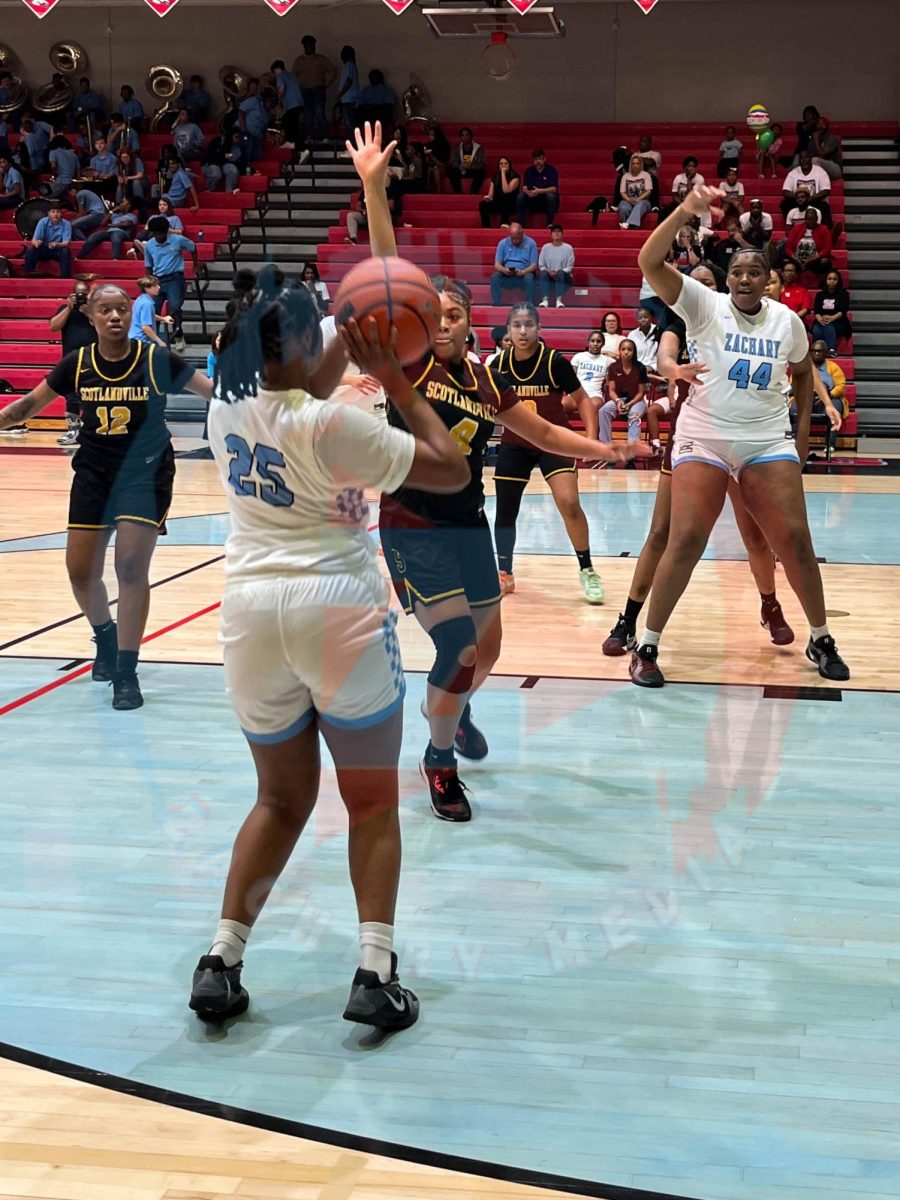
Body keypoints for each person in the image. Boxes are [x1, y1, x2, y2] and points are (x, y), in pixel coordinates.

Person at [346, 124, 643, 823]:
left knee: (490, 646)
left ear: (468, 323)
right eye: (434, 314)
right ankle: (439, 760)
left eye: (454, 316)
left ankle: (454, 711)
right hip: (411, 526)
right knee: (458, 645)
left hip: (467, 525)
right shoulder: (408, 364)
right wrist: (372, 186)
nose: (442, 324)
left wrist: (605, 451)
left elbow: (538, 431)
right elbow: (387, 265)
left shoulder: (481, 379)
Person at [627, 181, 849, 687]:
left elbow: (800, 374)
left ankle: (820, 636)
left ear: (769, 280)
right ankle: (648, 645)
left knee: (793, 539)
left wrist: (801, 438)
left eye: (754, 272)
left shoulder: (788, 323)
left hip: (765, 438)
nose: (744, 279)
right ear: (728, 280)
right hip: (704, 435)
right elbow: (648, 261)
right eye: (737, 272)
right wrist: (685, 209)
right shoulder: (704, 305)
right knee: (686, 538)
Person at [0, 283, 213, 709]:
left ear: (131, 313)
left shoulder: (155, 359)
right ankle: (106, 637)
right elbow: (26, 407)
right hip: (94, 475)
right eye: (105, 310)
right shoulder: (76, 364)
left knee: (130, 567)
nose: (114, 317)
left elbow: (215, 394)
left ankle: (126, 673)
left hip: (145, 474)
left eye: (121, 309)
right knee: (80, 571)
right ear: (92, 317)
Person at [603, 264, 796, 657]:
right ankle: (627, 619)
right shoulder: (681, 318)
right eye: (695, 281)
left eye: (708, 281)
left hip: (744, 438)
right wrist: (675, 370)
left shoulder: (735, 319)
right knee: (662, 533)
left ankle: (770, 604)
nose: (700, 287)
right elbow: (666, 358)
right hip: (695, 437)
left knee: (755, 536)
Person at [492, 301, 611, 602]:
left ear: (539, 328)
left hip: (554, 442)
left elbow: (584, 401)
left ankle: (587, 569)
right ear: (508, 330)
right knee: (506, 510)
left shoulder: (554, 362)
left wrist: (592, 440)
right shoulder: (498, 366)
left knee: (569, 502)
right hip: (515, 444)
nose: (522, 331)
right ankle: (504, 573)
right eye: (516, 325)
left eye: (528, 324)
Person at [49, 280, 97, 447]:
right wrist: (69, 308)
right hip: (71, 359)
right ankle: (73, 430)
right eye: (78, 294)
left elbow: (105, 329)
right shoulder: (64, 309)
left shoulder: (96, 310)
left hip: (94, 360)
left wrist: (88, 312)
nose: (81, 297)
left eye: (84, 294)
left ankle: (93, 430)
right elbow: (53, 327)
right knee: (71, 397)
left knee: (94, 395)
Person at [140, 215, 197, 353]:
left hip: (175, 278)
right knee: (155, 310)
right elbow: (149, 265)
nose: (159, 236)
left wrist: (196, 266)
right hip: (157, 279)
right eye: (156, 234)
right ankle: (156, 341)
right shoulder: (150, 245)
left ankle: (178, 334)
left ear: (166, 231)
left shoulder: (177, 240)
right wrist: (148, 283)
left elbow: (193, 247)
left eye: (161, 233)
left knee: (175, 306)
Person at [598, 338, 648, 444]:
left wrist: (629, 404)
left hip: (636, 400)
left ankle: (631, 450)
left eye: (629, 349)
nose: (626, 352)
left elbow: (641, 392)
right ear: (619, 351)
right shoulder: (613, 367)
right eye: (623, 349)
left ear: (633, 352)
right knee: (604, 411)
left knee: (634, 415)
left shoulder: (640, 367)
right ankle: (605, 447)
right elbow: (611, 390)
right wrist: (617, 401)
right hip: (619, 400)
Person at [293, 35, 337, 140]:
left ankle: (325, 136)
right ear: (304, 47)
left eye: (312, 45)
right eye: (308, 45)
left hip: (318, 89)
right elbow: (294, 75)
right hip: (305, 91)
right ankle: (310, 136)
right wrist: (299, 87)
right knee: (308, 115)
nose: (311, 47)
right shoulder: (299, 61)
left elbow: (333, 70)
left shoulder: (321, 59)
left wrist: (327, 84)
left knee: (320, 113)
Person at [490, 221, 538, 305]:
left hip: (523, 274)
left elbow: (534, 265)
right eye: (513, 238)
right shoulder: (503, 243)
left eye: (518, 238)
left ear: (522, 234)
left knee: (530, 278)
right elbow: (497, 265)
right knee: (495, 278)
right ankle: (496, 305)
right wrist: (505, 270)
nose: (515, 240)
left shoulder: (531, 243)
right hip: (507, 274)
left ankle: (529, 306)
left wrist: (523, 272)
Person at [782, 151, 833, 228]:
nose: (804, 160)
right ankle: (792, 226)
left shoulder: (820, 171)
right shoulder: (793, 173)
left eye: (806, 157)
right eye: (801, 158)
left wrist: (811, 198)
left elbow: (826, 191)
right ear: (799, 161)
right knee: (785, 203)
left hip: (814, 200)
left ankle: (826, 231)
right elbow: (785, 192)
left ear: (810, 159)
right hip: (798, 201)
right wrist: (799, 198)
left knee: (824, 206)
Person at [24, 203, 72, 278]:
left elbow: (66, 243)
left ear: (61, 213)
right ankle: (29, 275)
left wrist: (56, 244)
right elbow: (33, 240)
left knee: (65, 251)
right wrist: (36, 243)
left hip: (58, 249)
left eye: (58, 212)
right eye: (53, 212)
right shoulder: (42, 222)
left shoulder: (66, 224)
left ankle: (65, 277)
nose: (55, 214)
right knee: (30, 250)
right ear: (48, 213)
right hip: (44, 248)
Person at [785, 207, 833, 280]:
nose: (810, 221)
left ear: (817, 219)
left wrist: (811, 260)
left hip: (815, 259)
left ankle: (823, 283)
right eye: (808, 219)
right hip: (798, 259)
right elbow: (788, 248)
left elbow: (827, 249)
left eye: (813, 219)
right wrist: (795, 258)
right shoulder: (797, 228)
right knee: (786, 263)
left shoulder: (823, 229)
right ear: (805, 219)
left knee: (825, 262)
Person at [516, 148, 559, 227]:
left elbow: (554, 189)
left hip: (545, 201)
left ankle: (549, 223)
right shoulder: (529, 171)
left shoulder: (551, 170)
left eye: (540, 159)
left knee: (551, 196)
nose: (538, 161)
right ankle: (522, 224)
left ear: (544, 159)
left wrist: (539, 191)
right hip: (532, 199)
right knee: (520, 196)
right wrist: (528, 192)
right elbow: (524, 188)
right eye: (535, 159)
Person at [812, 269, 852, 353]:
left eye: (834, 279)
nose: (832, 281)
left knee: (829, 327)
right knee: (816, 329)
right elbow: (817, 310)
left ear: (838, 281)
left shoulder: (844, 294)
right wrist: (820, 319)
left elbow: (843, 310)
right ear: (826, 280)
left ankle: (831, 349)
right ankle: (817, 351)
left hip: (839, 321)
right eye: (829, 279)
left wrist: (831, 318)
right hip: (821, 321)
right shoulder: (820, 295)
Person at [128, 274, 174, 347]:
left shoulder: (140, 299)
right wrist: (159, 341)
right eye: (155, 286)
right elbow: (145, 327)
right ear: (147, 288)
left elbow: (149, 315)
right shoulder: (147, 304)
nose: (159, 287)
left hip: (134, 339)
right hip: (141, 341)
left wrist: (163, 318)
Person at [538, 224, 575, 308]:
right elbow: (541, 265)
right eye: (554, 231)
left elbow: (570, 266)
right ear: (551, 235)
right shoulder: (546, 247)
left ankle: (559, 300)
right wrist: (548, 271)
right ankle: (544, 300)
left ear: (562, 234)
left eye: (559, 231)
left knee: (560, 273)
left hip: (564, 276)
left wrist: (558, 272)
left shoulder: (568, 248)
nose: (556, 233)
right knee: (543, 273)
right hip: (549, 275)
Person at [479, 156, 519, 228]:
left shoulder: (515, 176)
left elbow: (506, 190)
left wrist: (503, 174)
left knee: (505, 197)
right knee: (483, 204)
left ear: (509, 165)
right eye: (501, 164)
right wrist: (488, 199)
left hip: (511, 204)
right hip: (498, 203)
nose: (503, 165)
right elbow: (490, 194)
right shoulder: (495, 176)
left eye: (505, 163)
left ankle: (505, 223)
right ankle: (486, 227)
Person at [618, 152, 653, 230]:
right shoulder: (625, 176)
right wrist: (629, 200)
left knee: (640, 205)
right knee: (623, 207)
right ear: (631, 165)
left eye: (637, 163)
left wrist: (638, 199)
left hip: (643, 201)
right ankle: (628, 225)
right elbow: (622, 192)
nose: (635, 165)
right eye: (633, 163)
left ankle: (627, 224)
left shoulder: (646, 175)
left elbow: (648, 191)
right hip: (628, 200)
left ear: (640, 165)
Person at [571, 330, 609, 399]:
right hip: (577, 393)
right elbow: (571, 378)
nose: (595, 344)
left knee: (592, 407)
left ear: (603, 343)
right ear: (588, 342)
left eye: (598, 341)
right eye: (592, 341)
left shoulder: (608, 361)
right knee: (561, 405)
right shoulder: (578, 356)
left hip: (595, 395)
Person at [448, 127, 485, 194]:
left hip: (472, 170)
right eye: (462, 135)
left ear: (471, 136)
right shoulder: (456, 148)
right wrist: (459, 166)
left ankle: (473, 193)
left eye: (466, 135)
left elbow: (482, 164)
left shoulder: (479, 148)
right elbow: (452, 162)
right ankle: (458, 193)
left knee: (481, 173)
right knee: (452, 172)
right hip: (460, 169)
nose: (464, 137)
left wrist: (471, 166)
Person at [239, 80, 268, 165]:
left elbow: (264, 124)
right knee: (247, 154)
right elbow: (241, 111)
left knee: (257, 156)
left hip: (257, 135)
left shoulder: (262, 104)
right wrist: (243, 128)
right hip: (247, 133)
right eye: (252, 87)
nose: (254, 89)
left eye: (255, 87)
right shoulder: (252, 100)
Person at [335, 45, 359, 137]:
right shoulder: (351, 65)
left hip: (349, 99)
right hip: (348, 99)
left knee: (350, 124)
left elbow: (349, 81)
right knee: (349, 124)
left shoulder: (349, 65)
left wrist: (340, 95)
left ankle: (353, 143)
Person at [46, 136, 80, 200]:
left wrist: (54, 174)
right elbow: (78, 171)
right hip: (71, 182)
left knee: (46, 197)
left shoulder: (53, 152)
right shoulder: (74, 154)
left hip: (61, 181)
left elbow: (53, 166)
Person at [628, 307, 660, 371]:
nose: (643, 320)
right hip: (637, 368)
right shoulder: (632, 334)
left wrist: (653, 367)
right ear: (637, 320)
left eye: (646, 317)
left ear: (651, 318)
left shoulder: (659, 331)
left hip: (656, 367)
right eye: (640, 318)